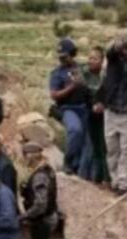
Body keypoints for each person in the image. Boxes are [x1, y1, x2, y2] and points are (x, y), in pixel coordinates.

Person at [97, 36, 127, 195]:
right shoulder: (113, 61)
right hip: (111, 111)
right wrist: (119, 44)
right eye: (126, 48)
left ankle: (123, 185)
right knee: (112, 149)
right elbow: (110, 51)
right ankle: (115, 180)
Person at [50, 38, 91, 176]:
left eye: (65, 57)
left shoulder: (83, 68)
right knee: (75, 130)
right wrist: (71, 86)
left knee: (86, 143)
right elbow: (54, 94)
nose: (62, 60)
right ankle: (68, 162)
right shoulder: (57, 73)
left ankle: (81, 172)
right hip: (68, 108)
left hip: (85, 108)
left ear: (72, 54)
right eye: (60, 57)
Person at [80, 47, 110, 184]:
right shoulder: (84, 73)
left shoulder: (106, 75)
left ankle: (108, 178)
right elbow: (84, 92)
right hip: (90, 112)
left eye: (95, 58)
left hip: (106, 114)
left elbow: (109, 91)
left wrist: (103, 104)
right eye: (90, 58)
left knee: (106, 147)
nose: (91, 61)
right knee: (95, 146)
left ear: (102, 60)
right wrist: (93, 104)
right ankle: (96, 178)